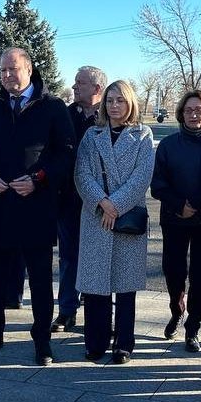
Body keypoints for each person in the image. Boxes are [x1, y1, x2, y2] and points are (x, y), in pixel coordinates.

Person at [0, 48, 76, 366]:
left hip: (36, 205)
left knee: (40, 277)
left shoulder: (52, 107)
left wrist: (39, 179)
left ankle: (42, 338)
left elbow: (66, 154)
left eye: (12, 69)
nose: (6, 76)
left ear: (29, 69)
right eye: (2, 71)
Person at [74, 79, 155, 364]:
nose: (114, 105)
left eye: (120, 100)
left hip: (127, 218)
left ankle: (123, 343)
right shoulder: (91, 135)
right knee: (95, 287)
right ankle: (95, 342)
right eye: (109, 100)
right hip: (96, 217)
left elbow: (142, 177)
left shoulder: (143, 135)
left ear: (130, 102)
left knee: (125, 287)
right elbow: (81, 174)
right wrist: (103, 203)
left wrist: (116, 206)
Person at [151, 89, 201, 352]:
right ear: (181, 113)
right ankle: (176, 309)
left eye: (199, 110)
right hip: (174, 219)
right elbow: (157, 183)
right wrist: (179, 205)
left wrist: (199, 205)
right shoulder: (169, 145)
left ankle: (193, 325)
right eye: (189, 110)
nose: (194, 115)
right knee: (173, 272)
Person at [54, 65, 106, 333]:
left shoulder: (109, 117)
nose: (74, 87)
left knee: (98, 257)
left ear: (97, 89)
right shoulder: (65, 115)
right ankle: (66, 311)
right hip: (69, 199)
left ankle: (98, 313)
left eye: (80, 83)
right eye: (75, 83)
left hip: (100, 202)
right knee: (69, 256)